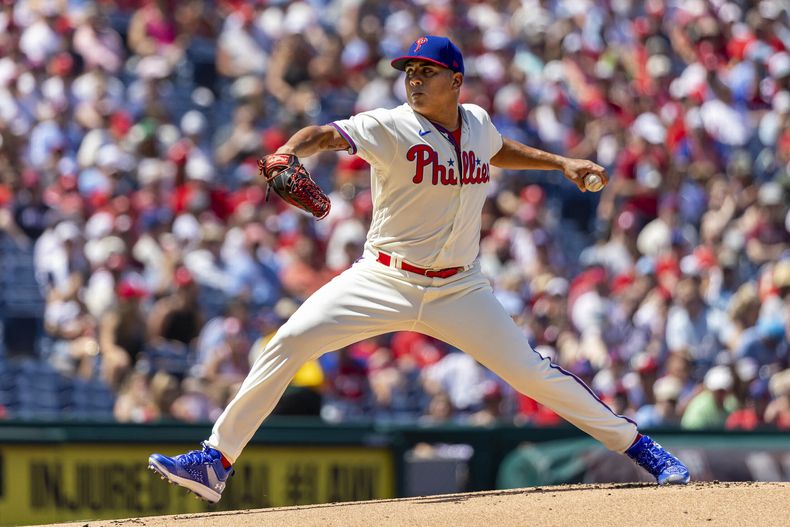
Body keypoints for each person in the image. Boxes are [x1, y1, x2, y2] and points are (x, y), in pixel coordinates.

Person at [148, 36, 690, 503]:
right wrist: (290, 148)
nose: (413, 80)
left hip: (461, 288)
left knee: (533, 374)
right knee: (288, 341)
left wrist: (561, 163)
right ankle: (215, 461)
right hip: (384, 278)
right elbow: (325, 136)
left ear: (456, 81)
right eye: (408, 72)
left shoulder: (475, 121)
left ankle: (645, 450)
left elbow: (498, 149)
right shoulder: (390, 126)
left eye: (425, 72)